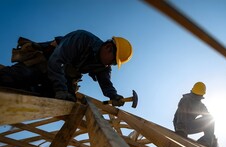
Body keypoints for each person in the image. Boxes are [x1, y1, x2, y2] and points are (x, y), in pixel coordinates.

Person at [0, 29, 132, 106]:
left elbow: (106, 83)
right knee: (13, 77)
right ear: (108, 48)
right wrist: (60, 89)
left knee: (68, 103)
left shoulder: (104, 66)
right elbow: (56, 61)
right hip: (45, 63)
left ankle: (32, 88)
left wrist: (113, 96)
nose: (111, 65)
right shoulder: (82, 39)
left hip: (64, 76)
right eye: (114, 62)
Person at [173, 82, 219, 147]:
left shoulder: (201, 106)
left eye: (198, 96)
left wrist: (212, 139)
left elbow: (209, 119)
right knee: (185, 103)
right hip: (179, 124)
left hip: (190, 125)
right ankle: (181, 130)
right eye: (196, 96)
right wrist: (180, 129)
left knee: (210, 119)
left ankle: (206, 141)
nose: (197, 98)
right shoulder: (185, 99)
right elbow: (181, 113)